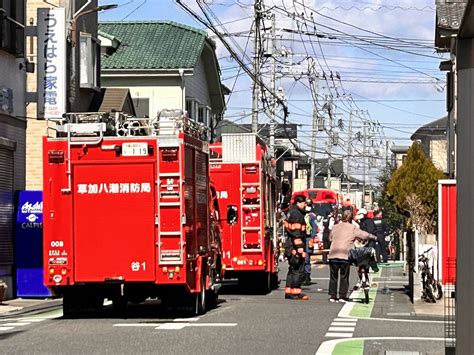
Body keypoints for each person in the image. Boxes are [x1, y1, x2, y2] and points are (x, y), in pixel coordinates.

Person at [327, 209, 377, 303]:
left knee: (333, 276)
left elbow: (330, 238)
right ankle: (342, 296)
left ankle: (333, 296)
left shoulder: (335, 227)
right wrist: (374, 237)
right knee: (344, 276)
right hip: (345, 255)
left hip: (333, 254)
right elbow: (364, 235)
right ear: (351, 218)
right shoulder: (352, 228)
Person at [284, 195, 309, 300]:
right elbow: (296, 232)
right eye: (304, 203)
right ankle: (295, 293)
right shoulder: (297, 214)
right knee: (298, 269)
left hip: (290, 245)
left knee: (293, 268)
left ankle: (289, 292)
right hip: (295, 245)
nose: (305, 205)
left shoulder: (291, 212)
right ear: (299, 203)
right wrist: (299, 247)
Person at [302, 198, 316, 286]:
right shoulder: (300, 214)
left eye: (309, 205)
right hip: (300, 237)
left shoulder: (311, 216)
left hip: (307, 238)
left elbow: (314, 228)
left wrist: (312, 238)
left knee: (306, 259)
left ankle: (307, 277)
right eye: (307, 205)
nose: (308, 207)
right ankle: (301, 275)